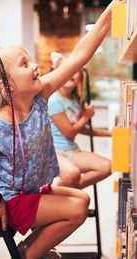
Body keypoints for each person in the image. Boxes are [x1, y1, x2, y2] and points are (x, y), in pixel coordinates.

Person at [0, 1, 119, 259]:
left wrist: (109, 14)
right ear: (7, 86)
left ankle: (28, 246)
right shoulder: (0, 125)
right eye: (25, 64)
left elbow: (78, 58)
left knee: (81, 197)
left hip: (30, 192)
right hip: (11, 202)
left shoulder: (40, 96)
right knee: (78, 210)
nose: (35, 65)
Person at [48, 53, 112, 189]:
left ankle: (67, 192)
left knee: (107, 167)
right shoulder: (54, 99)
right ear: (58, 73)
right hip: (54, 152)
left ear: (81, 76)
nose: (72, 73)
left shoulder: (75, 99)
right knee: (73, 174)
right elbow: (70, 133)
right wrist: (86, 117)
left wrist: (111, 134)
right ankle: (55, 196)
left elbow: (81, 129)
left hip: (71, 151)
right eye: (67, 69)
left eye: (76, 70)